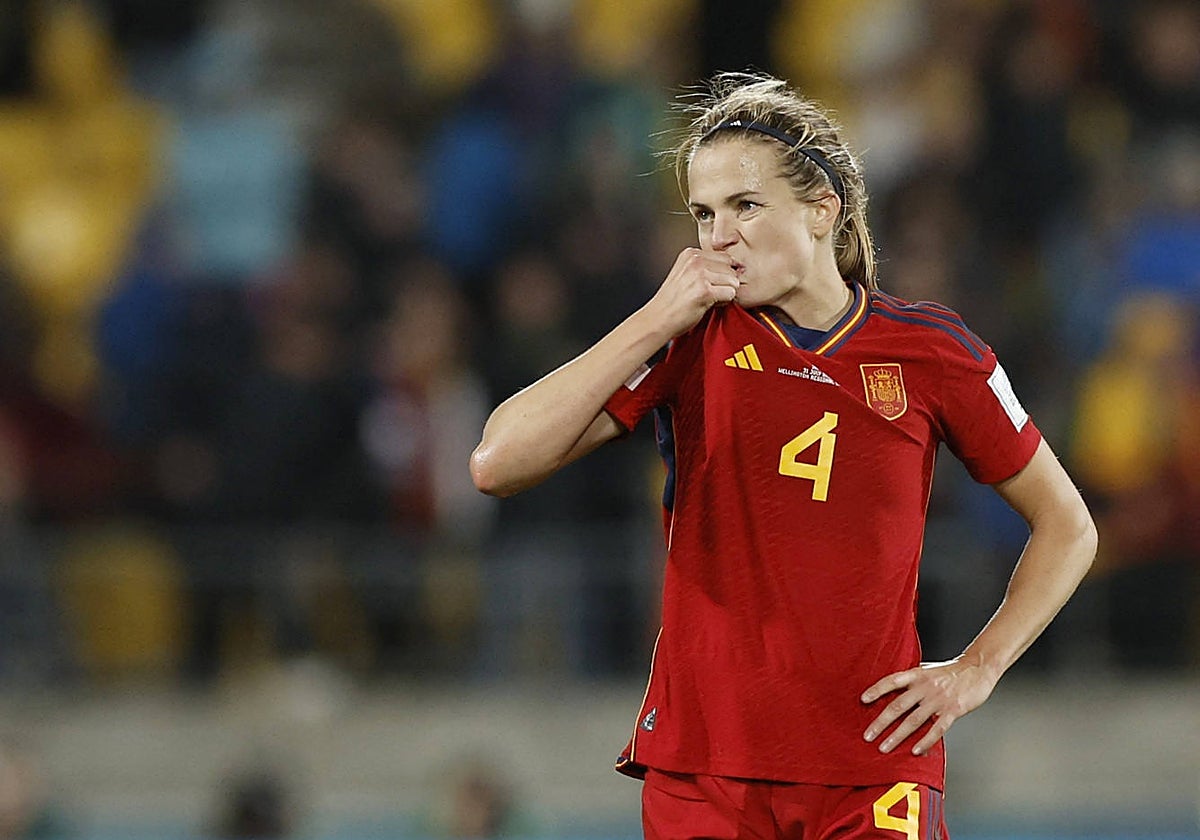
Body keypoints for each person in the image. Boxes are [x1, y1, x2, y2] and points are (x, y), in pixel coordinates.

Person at [470, 71, 1098, 840]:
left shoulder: (934, 351)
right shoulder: (687, 338)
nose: (718, 235)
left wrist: (977, 668)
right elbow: (496, 462)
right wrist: (654, 318)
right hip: (706, 765)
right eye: (703, 214)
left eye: (745, 205)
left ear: (822, 209)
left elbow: (1069, 525)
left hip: (874, 762)